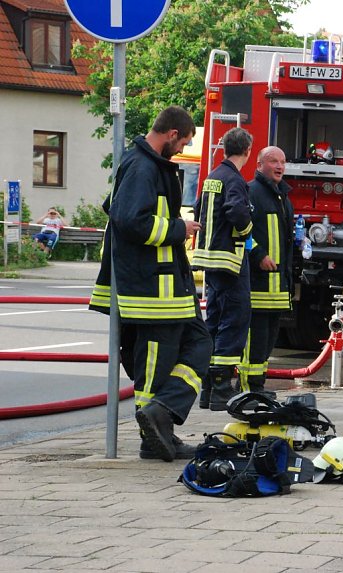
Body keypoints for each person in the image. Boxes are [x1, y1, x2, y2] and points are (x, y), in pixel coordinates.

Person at [89, 105, 211, 462]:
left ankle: (161, 418)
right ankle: (155, 435)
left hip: (168, 288)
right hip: (152, 292)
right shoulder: (142, 167)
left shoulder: (149, 165)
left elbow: (114, 207)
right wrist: (178, 228)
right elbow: (129, 219)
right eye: (183, 142)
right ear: (172, 134)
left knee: (200, 343)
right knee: (155, 367)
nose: (182, 148)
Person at [193, 127, 254, 410]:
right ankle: (221, 388)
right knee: (235, 319)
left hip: (209, 260)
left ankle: (208, 387)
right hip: (229, 261)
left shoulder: (212, 177)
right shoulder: (235, 179)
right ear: (247, 151)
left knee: (215, 320)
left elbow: (198, 209)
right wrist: (247, 231)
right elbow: (237, 211)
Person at [238, 146, 294, 398]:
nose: (280, 166)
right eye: (273, 161)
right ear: (259, 165)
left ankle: (258, 386)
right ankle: (247, 389)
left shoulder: (281, 197)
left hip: (277, 288)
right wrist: (258, 255)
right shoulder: (251, 192)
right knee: (255, 341)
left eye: (282, 161)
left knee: (268, 342)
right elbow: (241, 231)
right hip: (258, 286)